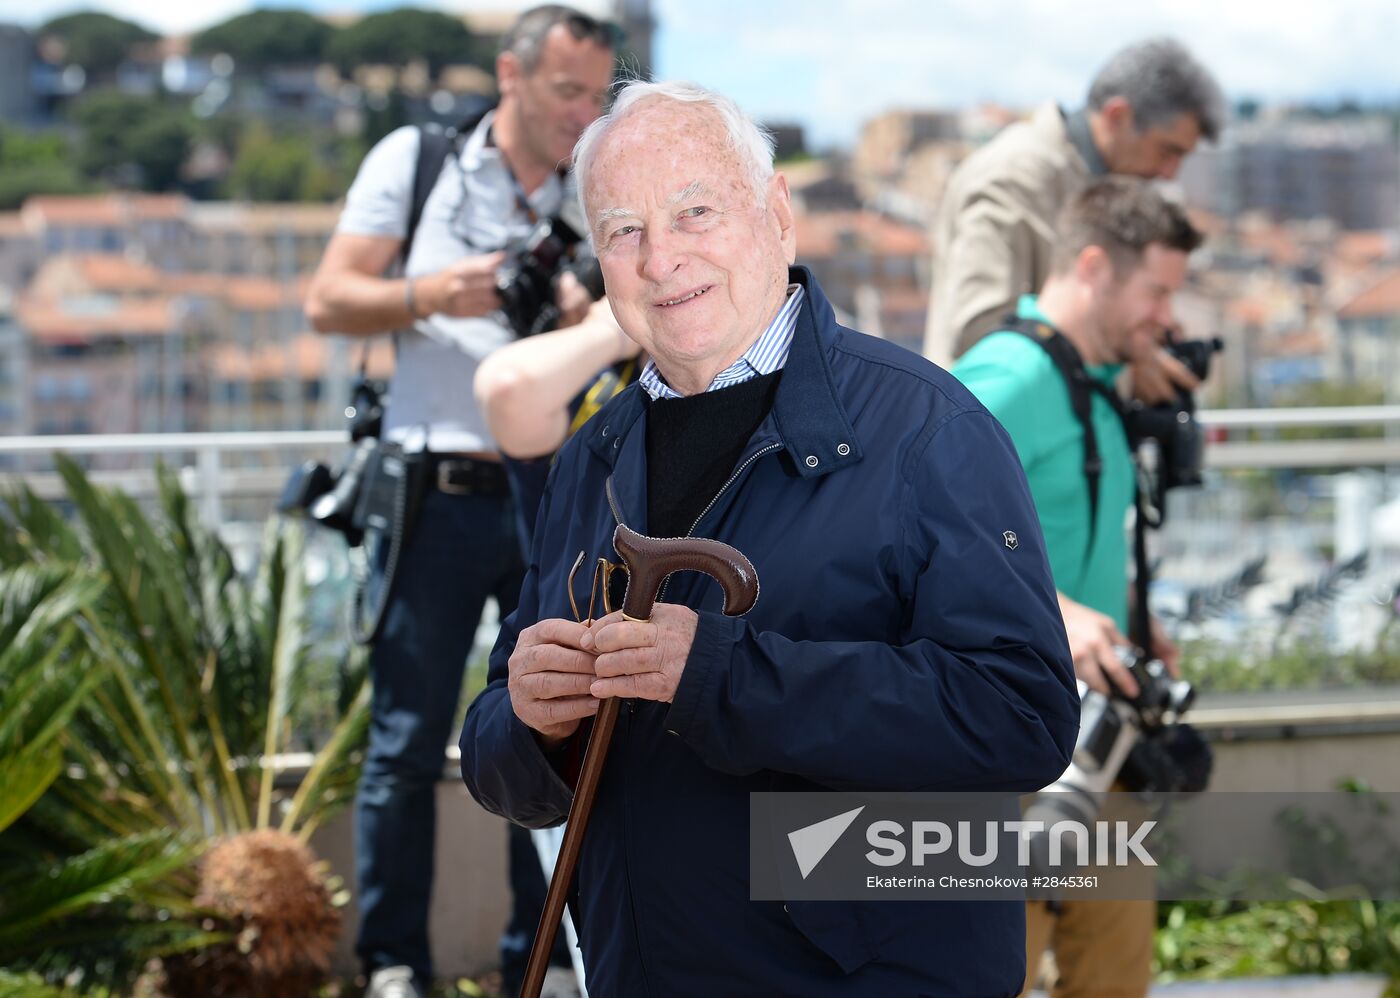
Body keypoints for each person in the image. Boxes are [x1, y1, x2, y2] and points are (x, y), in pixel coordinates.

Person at [459, 80, 1080, 996]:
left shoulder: (928, 429)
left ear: (776, 214)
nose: (662, 257)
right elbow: (500, 761)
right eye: (624, 230)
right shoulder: (590, 456)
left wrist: (725, 676)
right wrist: (531, 722)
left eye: (696, 210)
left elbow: (1021, 716)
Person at [303, 8, 616, 996]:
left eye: (595, 95)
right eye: (566, 90)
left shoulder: (594, 185)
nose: (581, 113)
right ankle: (394, 962)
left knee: (552, 725)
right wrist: (435, 293)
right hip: (435, 489)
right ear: (508, 76)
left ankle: (539, 957)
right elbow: (328, 299)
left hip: (555, 492)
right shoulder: (422, 159)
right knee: (404, 737)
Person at [953, 177, 1201, 998]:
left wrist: (1134, 620)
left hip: (1096, 748)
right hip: (1006, 755)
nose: (1167, 316)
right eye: (1157, 289)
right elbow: (914, 520)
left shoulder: (1095, 384)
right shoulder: (1013, 374)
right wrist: (1058, 615)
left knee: (1115, 977)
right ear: (1093, 266)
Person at [923, 36, 1223, 404]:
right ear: (1117, 116)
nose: (1170, 173)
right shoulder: (1014, 177)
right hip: (998, 439)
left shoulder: (1085, 180)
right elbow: (979, 334)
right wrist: (1128, 366)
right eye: (1167, 151)